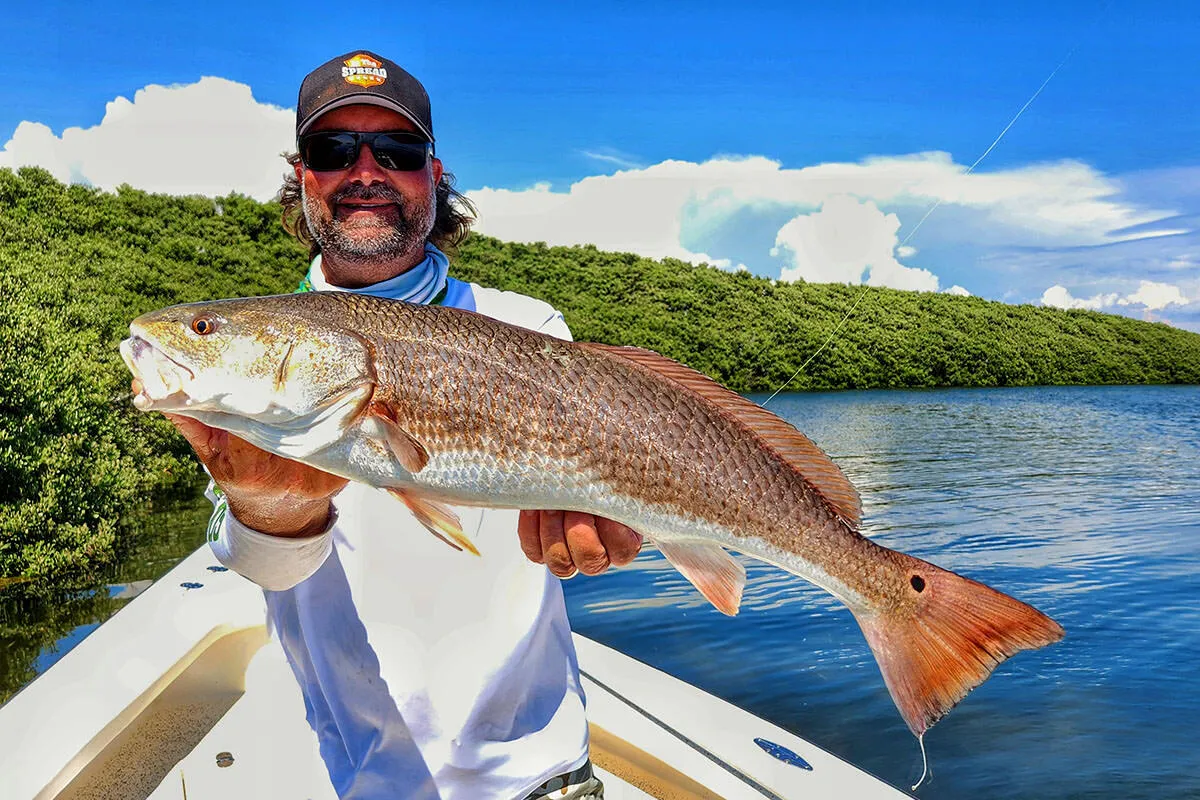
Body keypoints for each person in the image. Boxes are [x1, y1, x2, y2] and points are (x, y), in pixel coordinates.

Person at [164, 50, 643, 799]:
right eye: (332, 150)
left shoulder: (528, 325)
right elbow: (271, 571)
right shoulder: (254, 364)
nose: (365, 170)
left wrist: (602, 538)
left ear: (434, 173)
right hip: (354, 779)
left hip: (540, 777)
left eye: (397, 150)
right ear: (302, 174)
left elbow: (584, 533)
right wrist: (272, 508)